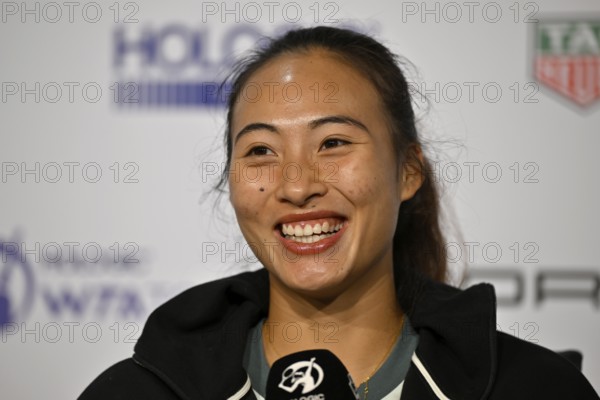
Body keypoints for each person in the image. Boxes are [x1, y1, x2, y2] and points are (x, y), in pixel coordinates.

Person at [79, 26, 599, 400]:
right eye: (261, 150)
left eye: (332, 142)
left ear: (408, 171)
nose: (297, 184)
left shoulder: (534, 388)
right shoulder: (134, 392)